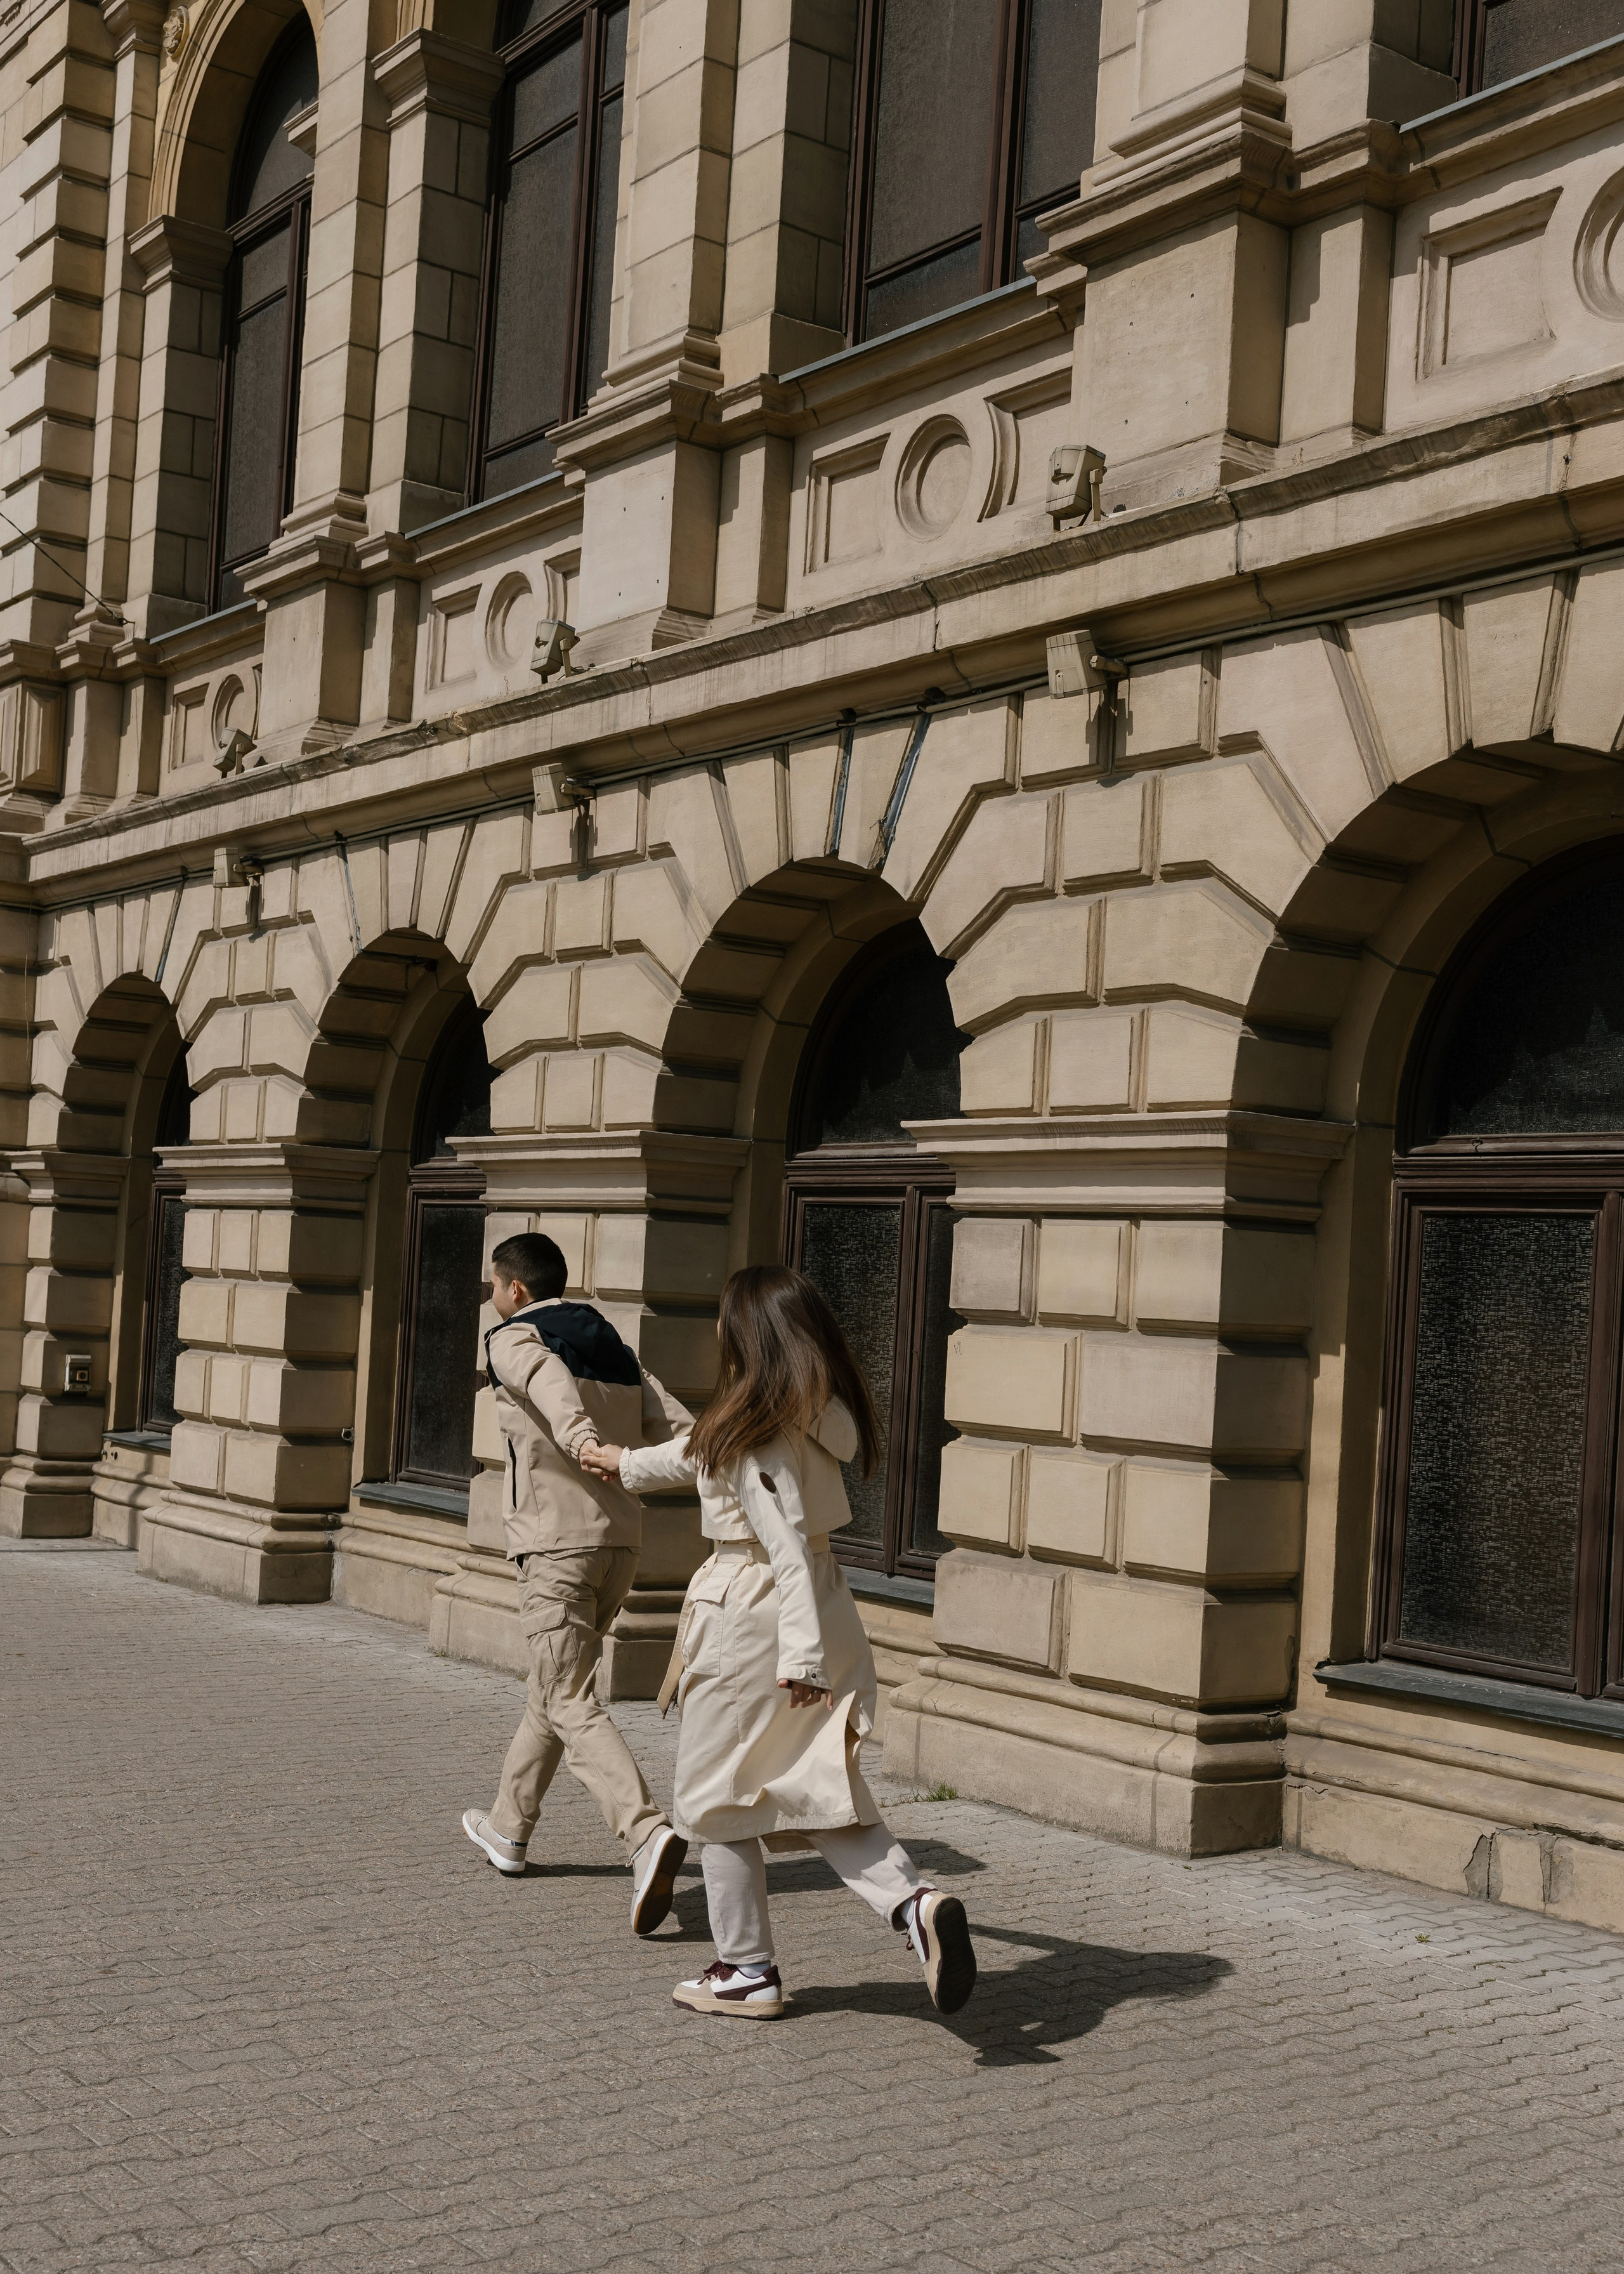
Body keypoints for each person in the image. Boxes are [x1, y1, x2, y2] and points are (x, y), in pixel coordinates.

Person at [580, 1264, 976, 2020]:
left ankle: (745, 1968)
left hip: (754, 1616)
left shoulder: (755, 1433)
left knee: (715, 1800)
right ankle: (914, 1903)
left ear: (744, 1331)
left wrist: (799, 1659)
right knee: (811, 1784)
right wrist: (622, 1462)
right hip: (818, 1605)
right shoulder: (806, 1410)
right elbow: (696, 1452)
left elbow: (782, 1543)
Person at [461, 1231, 693, 1937]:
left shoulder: (514, 1336)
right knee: (553, 1689)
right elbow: (677, 1424)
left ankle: (645, 1833)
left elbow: (547, 1383)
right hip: (619, 1545)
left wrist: (582, 1439)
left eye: (493, 1285)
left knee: (567, 1695)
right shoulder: (613, 1343)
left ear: (516, 1288)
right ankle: (508, 1828)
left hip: (556, 1545)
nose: (491, 1296)